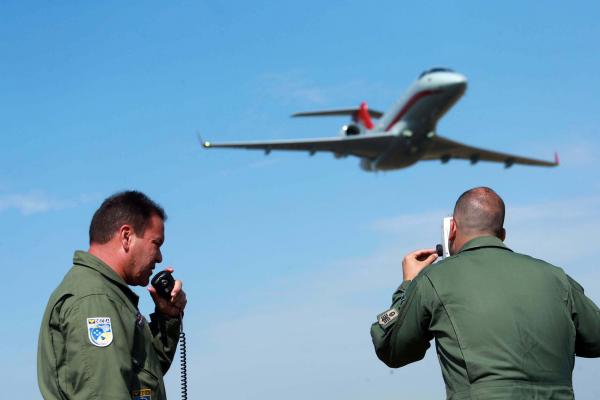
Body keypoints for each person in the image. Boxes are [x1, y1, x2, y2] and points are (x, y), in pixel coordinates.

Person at [370, 187, 600, 400]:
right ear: (502, 234)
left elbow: (393, 350)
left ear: (451, 229)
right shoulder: (556, 277)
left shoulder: (434, 279)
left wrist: (408, 285)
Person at [38, 191, 187, 400]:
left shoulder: (106, 294)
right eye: (156, 244)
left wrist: (167, 318)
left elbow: (143, 377)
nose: (160, 258)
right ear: (126, 237)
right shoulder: (95, 300)